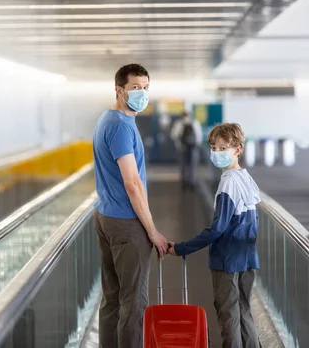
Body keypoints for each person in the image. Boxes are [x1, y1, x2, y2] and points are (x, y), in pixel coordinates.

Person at [92, 63, 169, 348]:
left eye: (146, 88)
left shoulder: (107, 119)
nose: (142, 93)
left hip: (104, 215)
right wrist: (152, 231)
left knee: (112, 299)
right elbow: (132, 184)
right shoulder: (121, 128)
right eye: (136, 87)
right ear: (119, 90)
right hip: (125, 223)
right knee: (133, 304)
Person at [167, 123, 260, 348]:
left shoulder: (228, 182)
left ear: (237, 149)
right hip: (247, 258)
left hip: (227, 261)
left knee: (228, 315)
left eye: (222, 148)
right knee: (244, 311)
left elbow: (217, 229)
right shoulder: (246, 178)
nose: (216, 153)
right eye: (213, 148)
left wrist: (181, 248)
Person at [170, 112, 203, 189]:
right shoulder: (195, 123)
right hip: (193, 147)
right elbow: (199, 136)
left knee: (183, 166)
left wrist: (178, 143)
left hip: (182, 147)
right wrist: (197, 144)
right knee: (193, 165)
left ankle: (184, 183)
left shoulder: (179, 123)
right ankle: (192, 182)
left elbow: (173, 135)